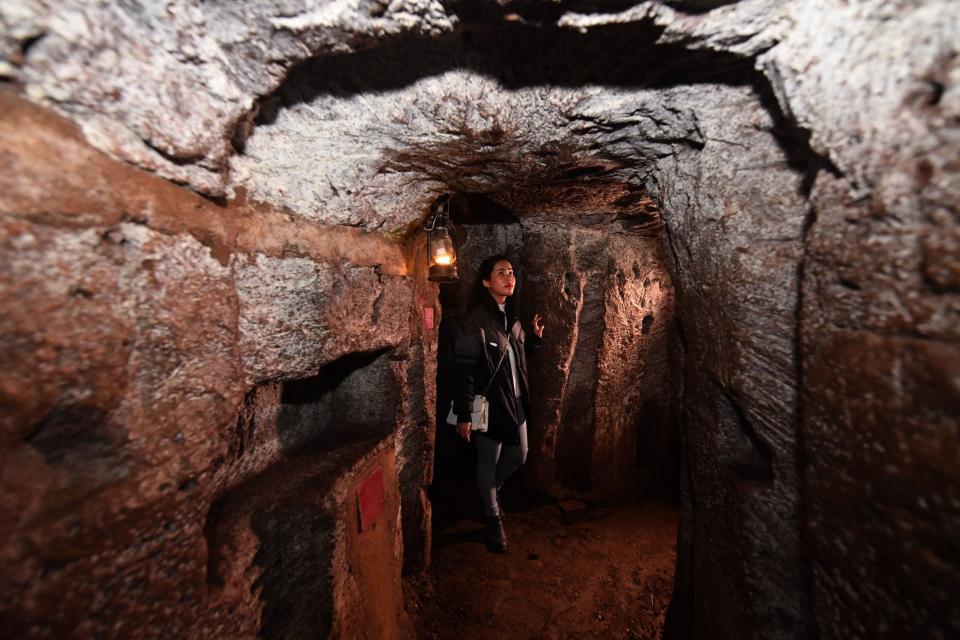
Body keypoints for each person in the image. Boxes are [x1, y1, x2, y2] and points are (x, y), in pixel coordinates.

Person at [451, 254, 544, 552]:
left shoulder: (511, 317)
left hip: (515, 402)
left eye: (512, 272)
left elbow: (513, 360)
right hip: (490, 406)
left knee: (520, 455)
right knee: (487, 462)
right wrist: (464, 414)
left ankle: (489, 495)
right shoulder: (475, 321)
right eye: (501, 272)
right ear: (486, 282)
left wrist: (533, 341)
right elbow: (464, 370)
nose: (509, 277)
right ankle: (493, 520)